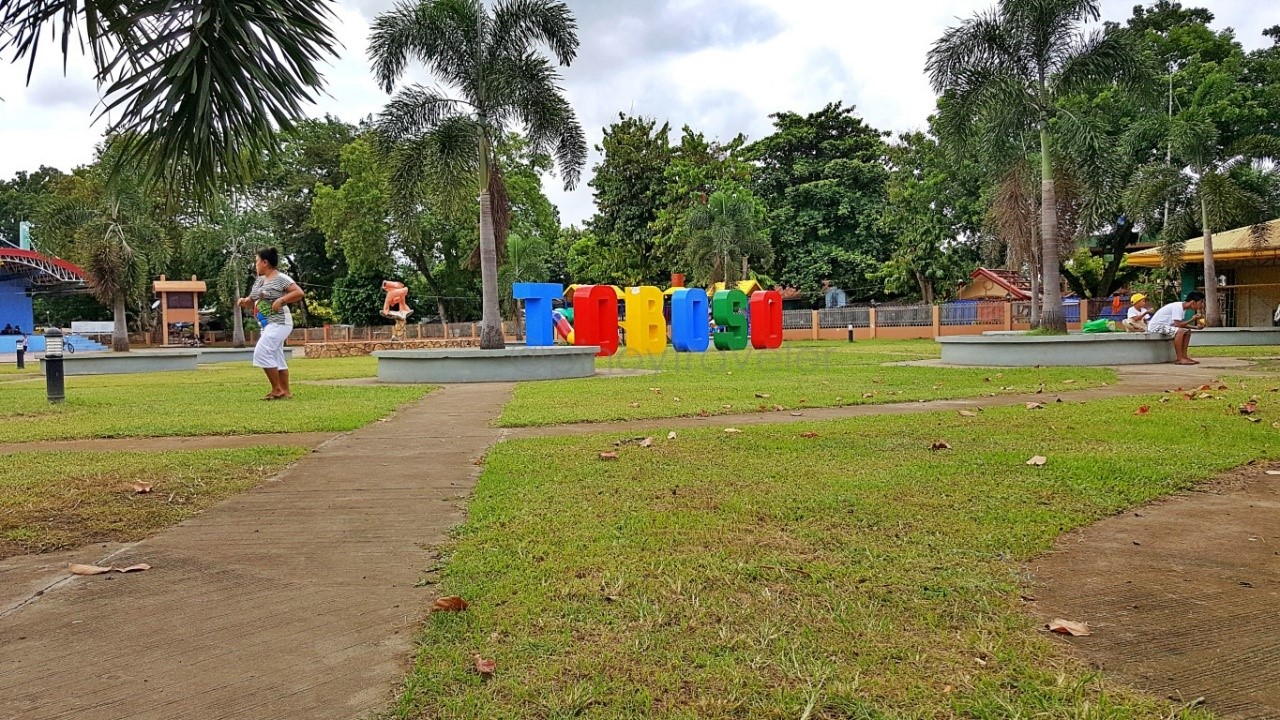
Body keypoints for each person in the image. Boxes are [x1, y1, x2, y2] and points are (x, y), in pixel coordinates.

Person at [238, 247, 304, 400]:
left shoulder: (281, 278)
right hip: (267, 325)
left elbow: (299, 292)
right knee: (276, 355)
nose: (256, 265)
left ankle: (277, 389)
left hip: (280, 322)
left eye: (257, 261)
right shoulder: (260, 280)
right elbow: (251, 300)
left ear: (265, 262)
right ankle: (286, 391)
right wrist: (244, 301)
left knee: (262, 352)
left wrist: (281, 300)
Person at [1147, 291, 1206, 366]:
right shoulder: (1178, 307)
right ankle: (1179, 358)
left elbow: (1180, 323)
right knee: (1180, 331)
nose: (1202, 305)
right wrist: (1192, 319)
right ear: (1193, 302)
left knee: (1187, 331)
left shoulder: (1182, 308)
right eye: (1201, 302)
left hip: (1165, 326)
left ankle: (1184, 357)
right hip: (1156, 327)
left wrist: (1195, 327)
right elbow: (1178, 325)